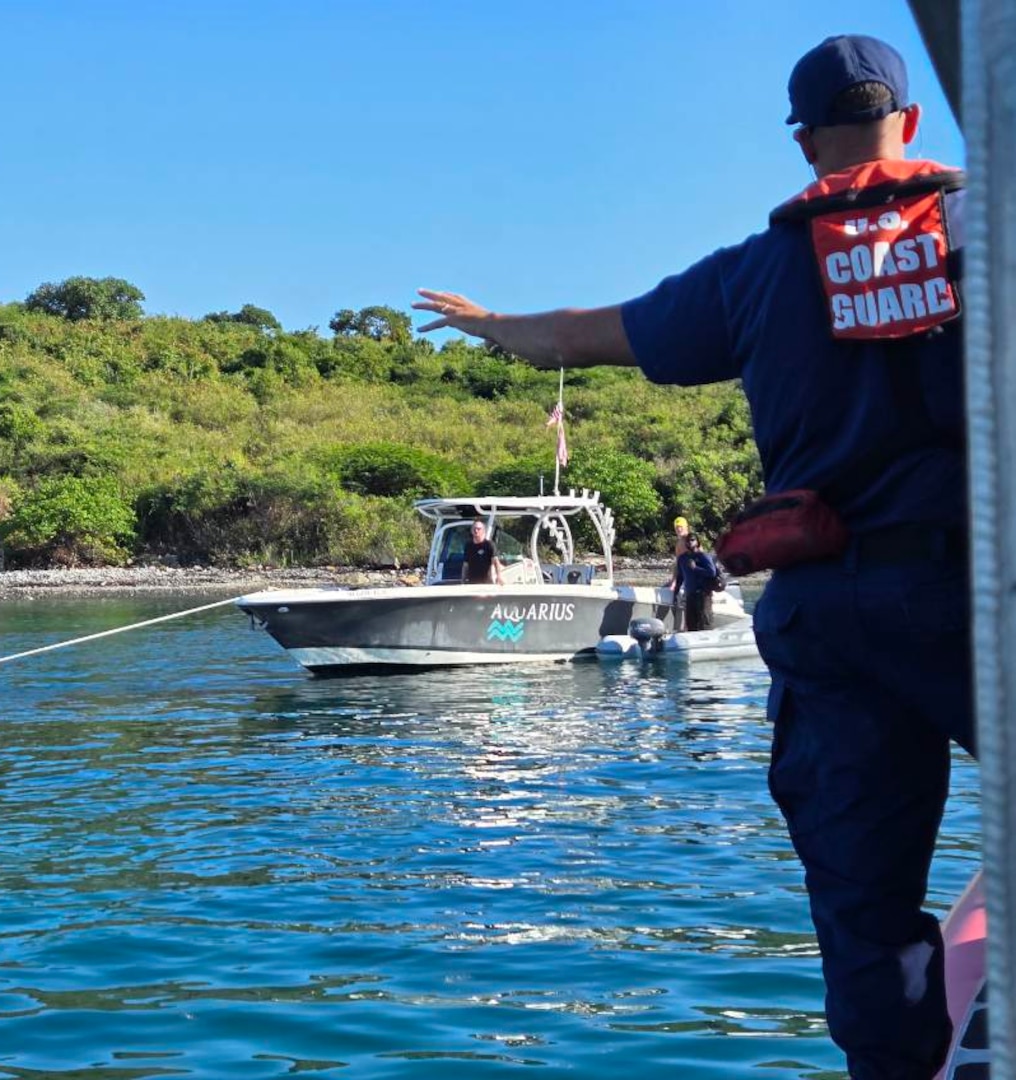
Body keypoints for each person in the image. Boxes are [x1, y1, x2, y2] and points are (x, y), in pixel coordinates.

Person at [413, 34, 971, 1080]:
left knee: (863, 903)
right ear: (912, 124)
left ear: (804, 143)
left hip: (825, 616)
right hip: (971, 595)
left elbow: (580, 334)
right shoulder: (976, 227)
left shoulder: (751, 276)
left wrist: (491, 325)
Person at [672, 533, 719, 631]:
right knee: (691, 624)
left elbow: (712, 572)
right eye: (688, 541)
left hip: (703, 594)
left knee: (704, 622)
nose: (690, 542)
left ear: (697, 542)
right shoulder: (682, 558)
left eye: (692, 540)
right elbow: (680, 577)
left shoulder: (702, 556)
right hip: (690, 595)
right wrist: (675, 593)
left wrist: (696, 568)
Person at [461, 520, 504, 585]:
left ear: (483, 530)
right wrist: (463, 580)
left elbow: (496, 562)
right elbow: (465, 565)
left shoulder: (489, 545)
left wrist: (499, 576)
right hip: (472, 583)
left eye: (479, 529)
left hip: (487, 583)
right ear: (471, 531)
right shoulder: (468, 546)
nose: (476, 531)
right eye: (474, 528)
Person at [664, 515, 691, 591]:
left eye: (681, 527)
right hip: (684, 576)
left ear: (686, 527)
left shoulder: (691, 540)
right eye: (677, 527)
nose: (679, 529)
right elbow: (678, 564)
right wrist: (674, 580)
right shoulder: (679, 543)